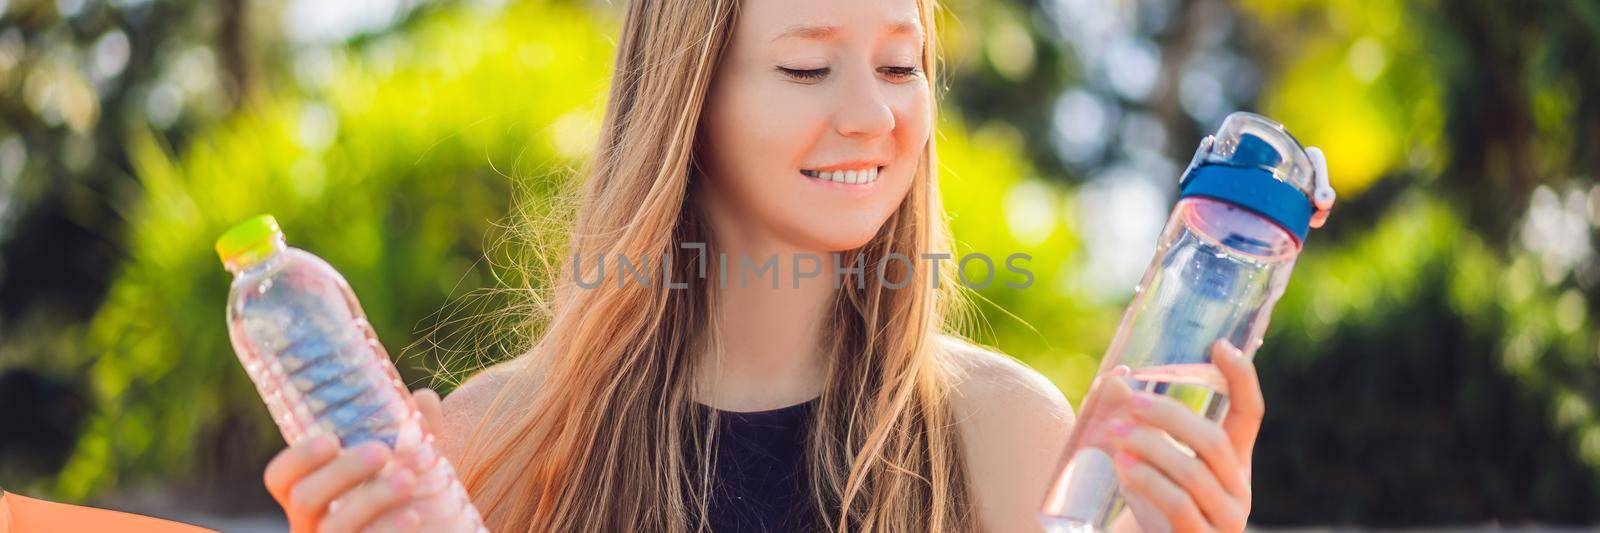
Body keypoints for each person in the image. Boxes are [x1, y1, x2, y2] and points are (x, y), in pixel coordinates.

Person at [260, 0, 1264, 531]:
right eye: (803, 65)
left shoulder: (1002, 436)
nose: (872, 115)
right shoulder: (500, 443)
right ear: (686, 104)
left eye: (899, 61)